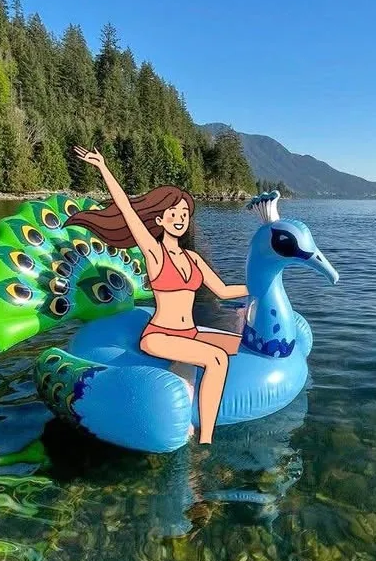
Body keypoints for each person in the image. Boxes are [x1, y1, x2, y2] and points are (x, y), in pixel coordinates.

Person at [68, 145, 248, 444]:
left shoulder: (194, 258)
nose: (179, 218)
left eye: (185, 213)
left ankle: (190, 393)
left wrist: (262, 285)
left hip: (189, 331)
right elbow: (127, 210)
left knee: (237, 344)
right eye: (173, 213)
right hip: (160, 333)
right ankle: (205, 439)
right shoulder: (154, 253)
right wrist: (103, 168)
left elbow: (224, 291)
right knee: (216, 358)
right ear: (160, 220)